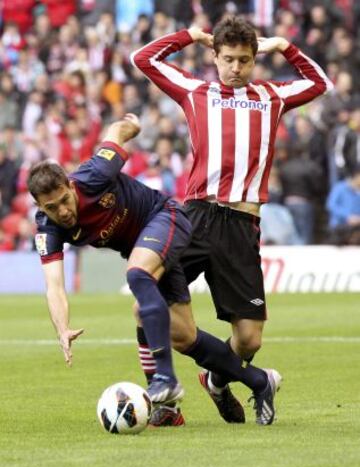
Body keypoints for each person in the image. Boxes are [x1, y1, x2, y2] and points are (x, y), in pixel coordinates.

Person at [131, 16, 333, 424]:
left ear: (254, 59)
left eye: (244, 60)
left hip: (242, 226)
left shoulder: (272, 96)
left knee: (248, 339)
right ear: (215, 56)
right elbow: (143, 58)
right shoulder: (195, 91)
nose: (235, 68)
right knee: (145, 303)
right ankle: (165, 400)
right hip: (196, 217)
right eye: (227, 59)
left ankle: (218, 380)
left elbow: (320, 83)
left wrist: (283, 46)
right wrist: (190, 34)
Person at [28, 113, 278, 419]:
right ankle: (260, 381)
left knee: (137, 274)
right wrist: (62, 328)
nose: (63, 211)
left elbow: (116, 132)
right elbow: (54, 284)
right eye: (51, 208)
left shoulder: (95, 174)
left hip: (166, 217)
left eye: (64, 200)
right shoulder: (47, 229)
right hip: (147, 248)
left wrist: (131, 125)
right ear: (40, 207)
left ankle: (165, 382)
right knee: (184, 336)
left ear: (70, 185)